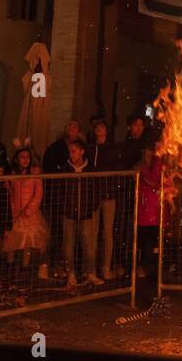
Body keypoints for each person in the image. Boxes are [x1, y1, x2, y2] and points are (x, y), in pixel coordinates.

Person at [57, 137, 101, 288]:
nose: (71, 155)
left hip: (86, 212)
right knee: (68, 244)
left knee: (89, 244)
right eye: (70, 152)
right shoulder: (64, 169)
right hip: (69, 212)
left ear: (82, 152)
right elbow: (60, 191)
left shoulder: (91, 170)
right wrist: (64, 207)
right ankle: (71, 273)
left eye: (74, 151)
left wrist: (92, 207)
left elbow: (96, 190)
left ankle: (90, 272)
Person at [3, 147, 48, 284]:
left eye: (27, 157)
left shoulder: (35, 173)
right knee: (12, 241)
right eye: (22, 157)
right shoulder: (13, 173)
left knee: (27, 242)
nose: (25, 160)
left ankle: (24, 269)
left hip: (29, 214)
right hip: (15, 212)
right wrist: (12, 208)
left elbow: (38, 193)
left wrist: (29, 210)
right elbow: (12, 194)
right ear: (17, 159)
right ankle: (10, 269)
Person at [87, 120, 123, 280]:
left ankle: (106, 267)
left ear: (107, 131)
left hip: (108, 195)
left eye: (102, 127)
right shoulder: (90, 149)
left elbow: (116, 169)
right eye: (97, 127)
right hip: (94, 194)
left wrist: (112, 187)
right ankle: (91, 269)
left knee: (107, 233)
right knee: (92, 233)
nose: (100, 129)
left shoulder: (113, 149)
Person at [134, 140, 164, 306]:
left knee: (154, 246)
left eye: (152, 150)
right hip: (144, 212)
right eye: (148, 150)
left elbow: (157, 183)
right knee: (144, 243)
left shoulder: (158, 166)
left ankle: (154, 277)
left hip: (156, 213)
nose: (150, 153)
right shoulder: (140, 166)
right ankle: (143, 274)